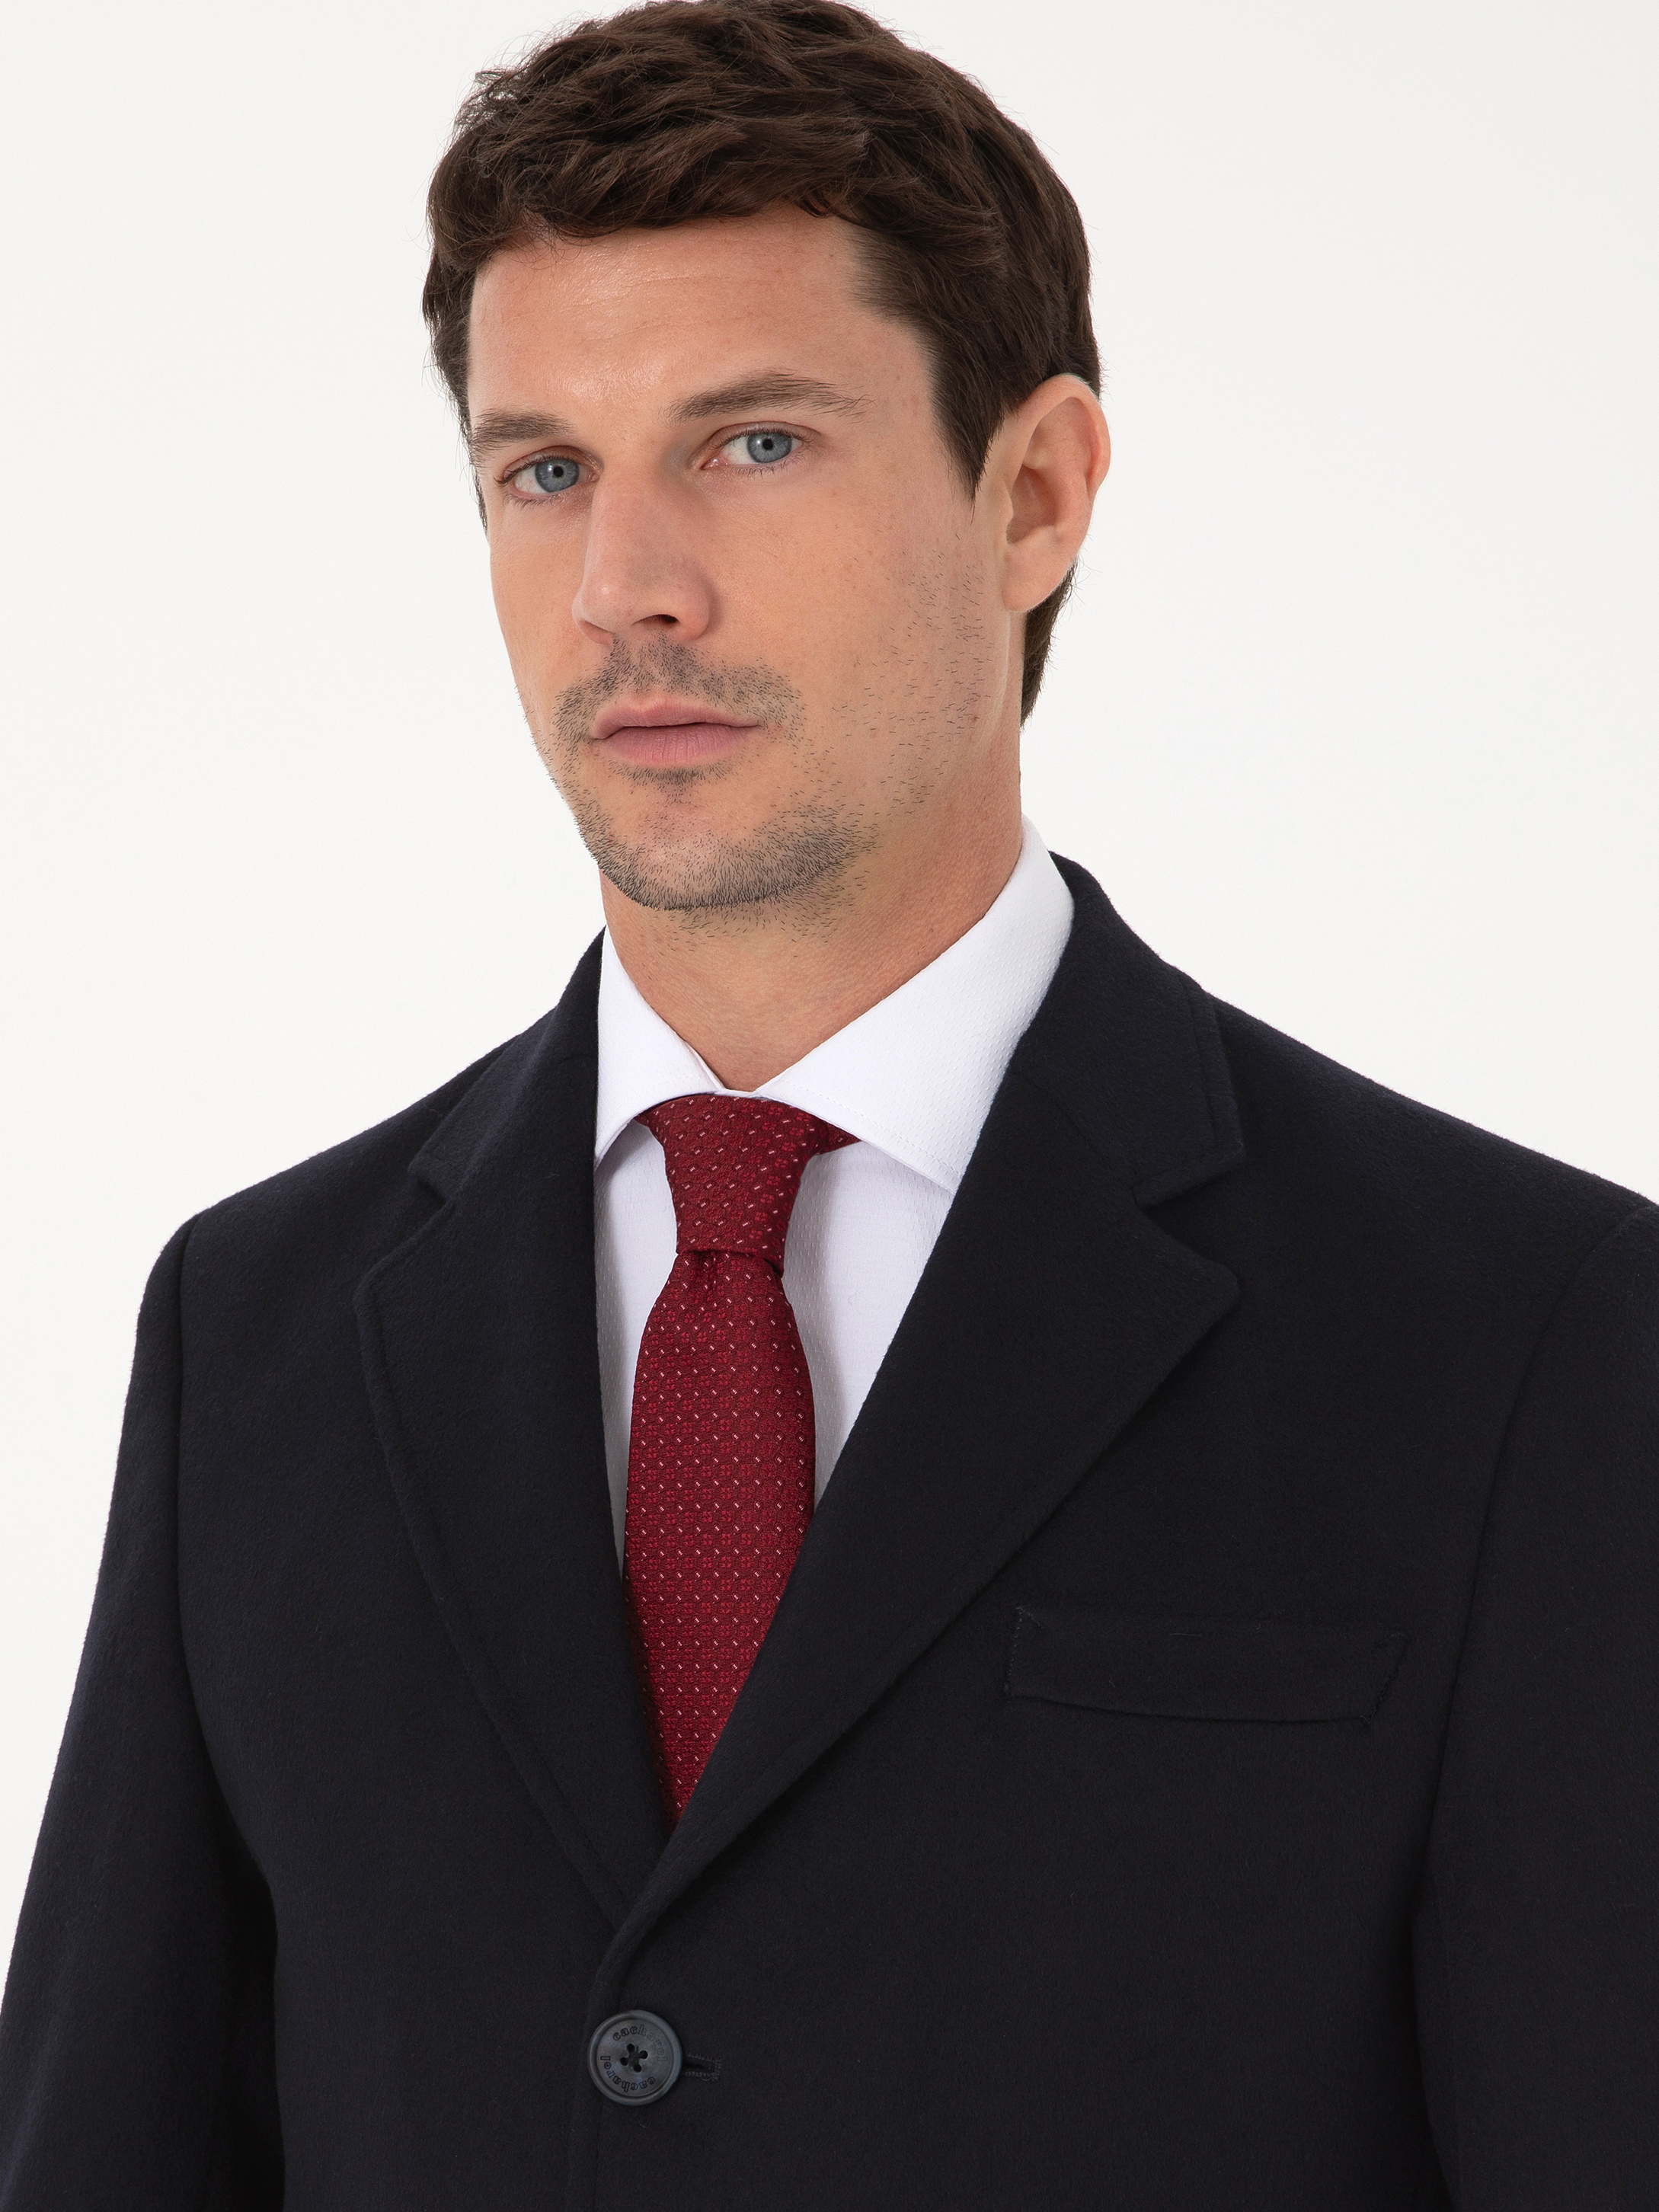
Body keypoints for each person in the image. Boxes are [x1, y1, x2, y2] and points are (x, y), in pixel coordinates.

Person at [1, 0, 1654, 2203]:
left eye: (754, 442)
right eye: (544, 470)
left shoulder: (1519, 1334)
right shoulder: (261, 1327)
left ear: (1032, 493)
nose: (626, 589)